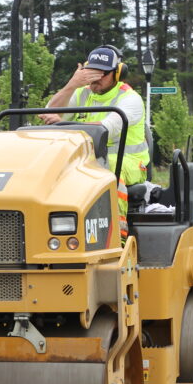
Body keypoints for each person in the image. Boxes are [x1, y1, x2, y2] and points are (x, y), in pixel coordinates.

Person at [40, 45, 149, 241]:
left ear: (117, 73)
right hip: (87, 160)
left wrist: (64, 122)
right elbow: (49, 111)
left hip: (130, 162)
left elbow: (106, 128)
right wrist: (72, 84)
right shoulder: (81, 93)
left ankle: (117, 236)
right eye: (91, 72)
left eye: (102, 73)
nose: (95, 79)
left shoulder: (130, 99)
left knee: (109, 167)